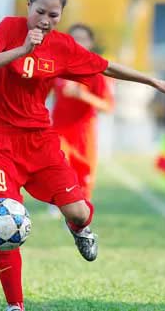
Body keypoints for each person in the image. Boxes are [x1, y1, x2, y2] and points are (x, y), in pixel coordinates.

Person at [0, 0, 165, 311]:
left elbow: (104, 66)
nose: (45, 21)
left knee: (79, 210)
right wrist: (22, 50)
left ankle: (79, 228)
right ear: (27, 8)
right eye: (40, 12)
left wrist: (151, 80)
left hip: (39, 142)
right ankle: (14, 305)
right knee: (4, 220)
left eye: (53, 15)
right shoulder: (9, 29)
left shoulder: (62, 46)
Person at [51, 23, 114, 201]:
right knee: (60, 168)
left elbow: (108, 106)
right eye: (74, 38)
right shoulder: (57, 67)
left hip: (84, 133)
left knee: (84, 180)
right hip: (59, 130)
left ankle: (81, 212)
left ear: (91, 43)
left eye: (83, 39)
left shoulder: (96, 71)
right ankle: (58, 202)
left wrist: (82, 95)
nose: (78, 43)